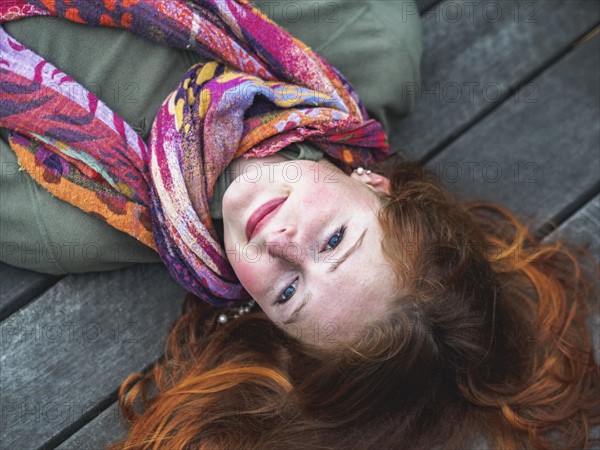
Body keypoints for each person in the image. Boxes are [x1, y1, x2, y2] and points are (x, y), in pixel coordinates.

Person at [1, 1, 598, 449]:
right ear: (378, 187)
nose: (281, 244)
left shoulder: (61, 225)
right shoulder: (367, 37)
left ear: (261, 312)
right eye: (335, 240)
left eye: (289, 293)